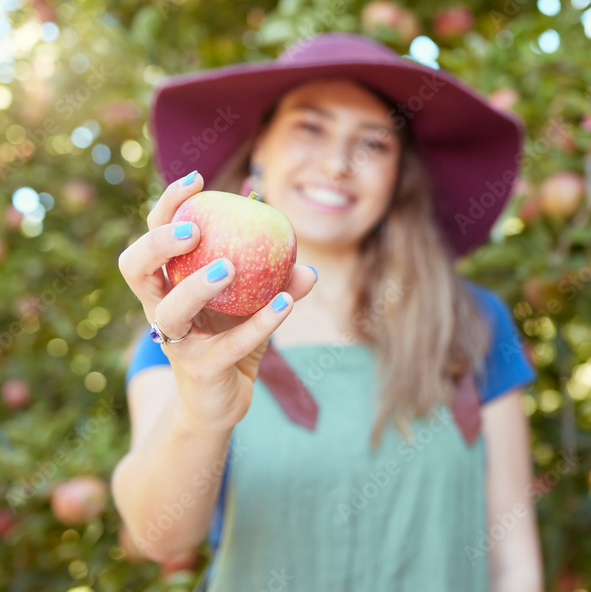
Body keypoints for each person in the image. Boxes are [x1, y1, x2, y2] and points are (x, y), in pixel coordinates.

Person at [113, 32, 543, 592]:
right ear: (259, 146)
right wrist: (202, 407)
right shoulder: (186, 326)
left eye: (375, 143)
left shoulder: (473, 321)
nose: (339, 163)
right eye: (310, 127)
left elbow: (513, 561)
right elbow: (160, 538)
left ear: (398, 177)